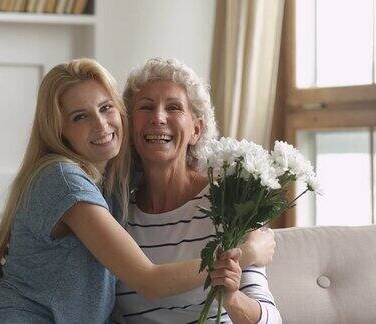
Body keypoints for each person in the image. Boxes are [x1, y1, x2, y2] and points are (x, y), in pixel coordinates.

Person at [0, 58, 270, 324]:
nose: (101, 124)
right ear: (58, 130)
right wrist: (246, 253)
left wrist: (246, 207)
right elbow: (149, 281)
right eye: (80, 117)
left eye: (106, 108)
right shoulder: (65, 179)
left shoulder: (115, 186)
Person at [113, 57, 282, 323]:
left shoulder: (231, 203)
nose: (158, 117)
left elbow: (272, 320)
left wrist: (233, 298)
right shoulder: (116, 211)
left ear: (196, 129)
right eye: (146, 107)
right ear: (130, 128)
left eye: (173, 107)